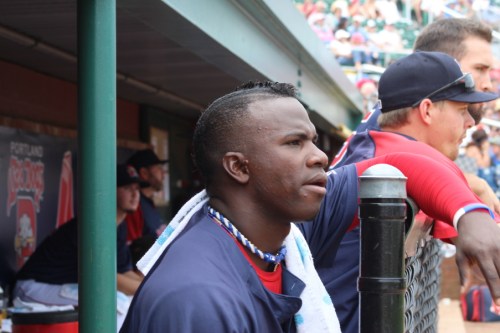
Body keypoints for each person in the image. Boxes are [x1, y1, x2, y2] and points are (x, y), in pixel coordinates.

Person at [121, 81, 500, 333]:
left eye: (314, 141)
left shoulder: (282, 225)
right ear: (238, 167)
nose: (320, 156)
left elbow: (398, 168)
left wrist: (471, 215)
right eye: (294, 143)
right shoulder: (198, 299)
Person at [329, 18, 499, 333]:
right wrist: (472, 207)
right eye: (462, 111)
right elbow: (416, 165)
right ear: (426, 110)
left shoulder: (378, 131)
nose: (470, 123)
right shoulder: (390, 153)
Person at [13, 164, 144, 328]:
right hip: (34, 287)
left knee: (130, 300)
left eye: (137, 189)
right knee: (116, 304)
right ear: (111, 191)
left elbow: (125, 272)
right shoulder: (92, 225)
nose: (135, 195)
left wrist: (151, 284)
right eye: (127, 188)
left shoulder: (119, 225)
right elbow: (107, 279)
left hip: (65, 286)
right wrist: (151, 289)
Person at [125, 149, 168, 244]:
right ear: (144, 173)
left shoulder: (148, 202)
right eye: (158, 168)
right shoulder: (134, 205)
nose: (163, 174)